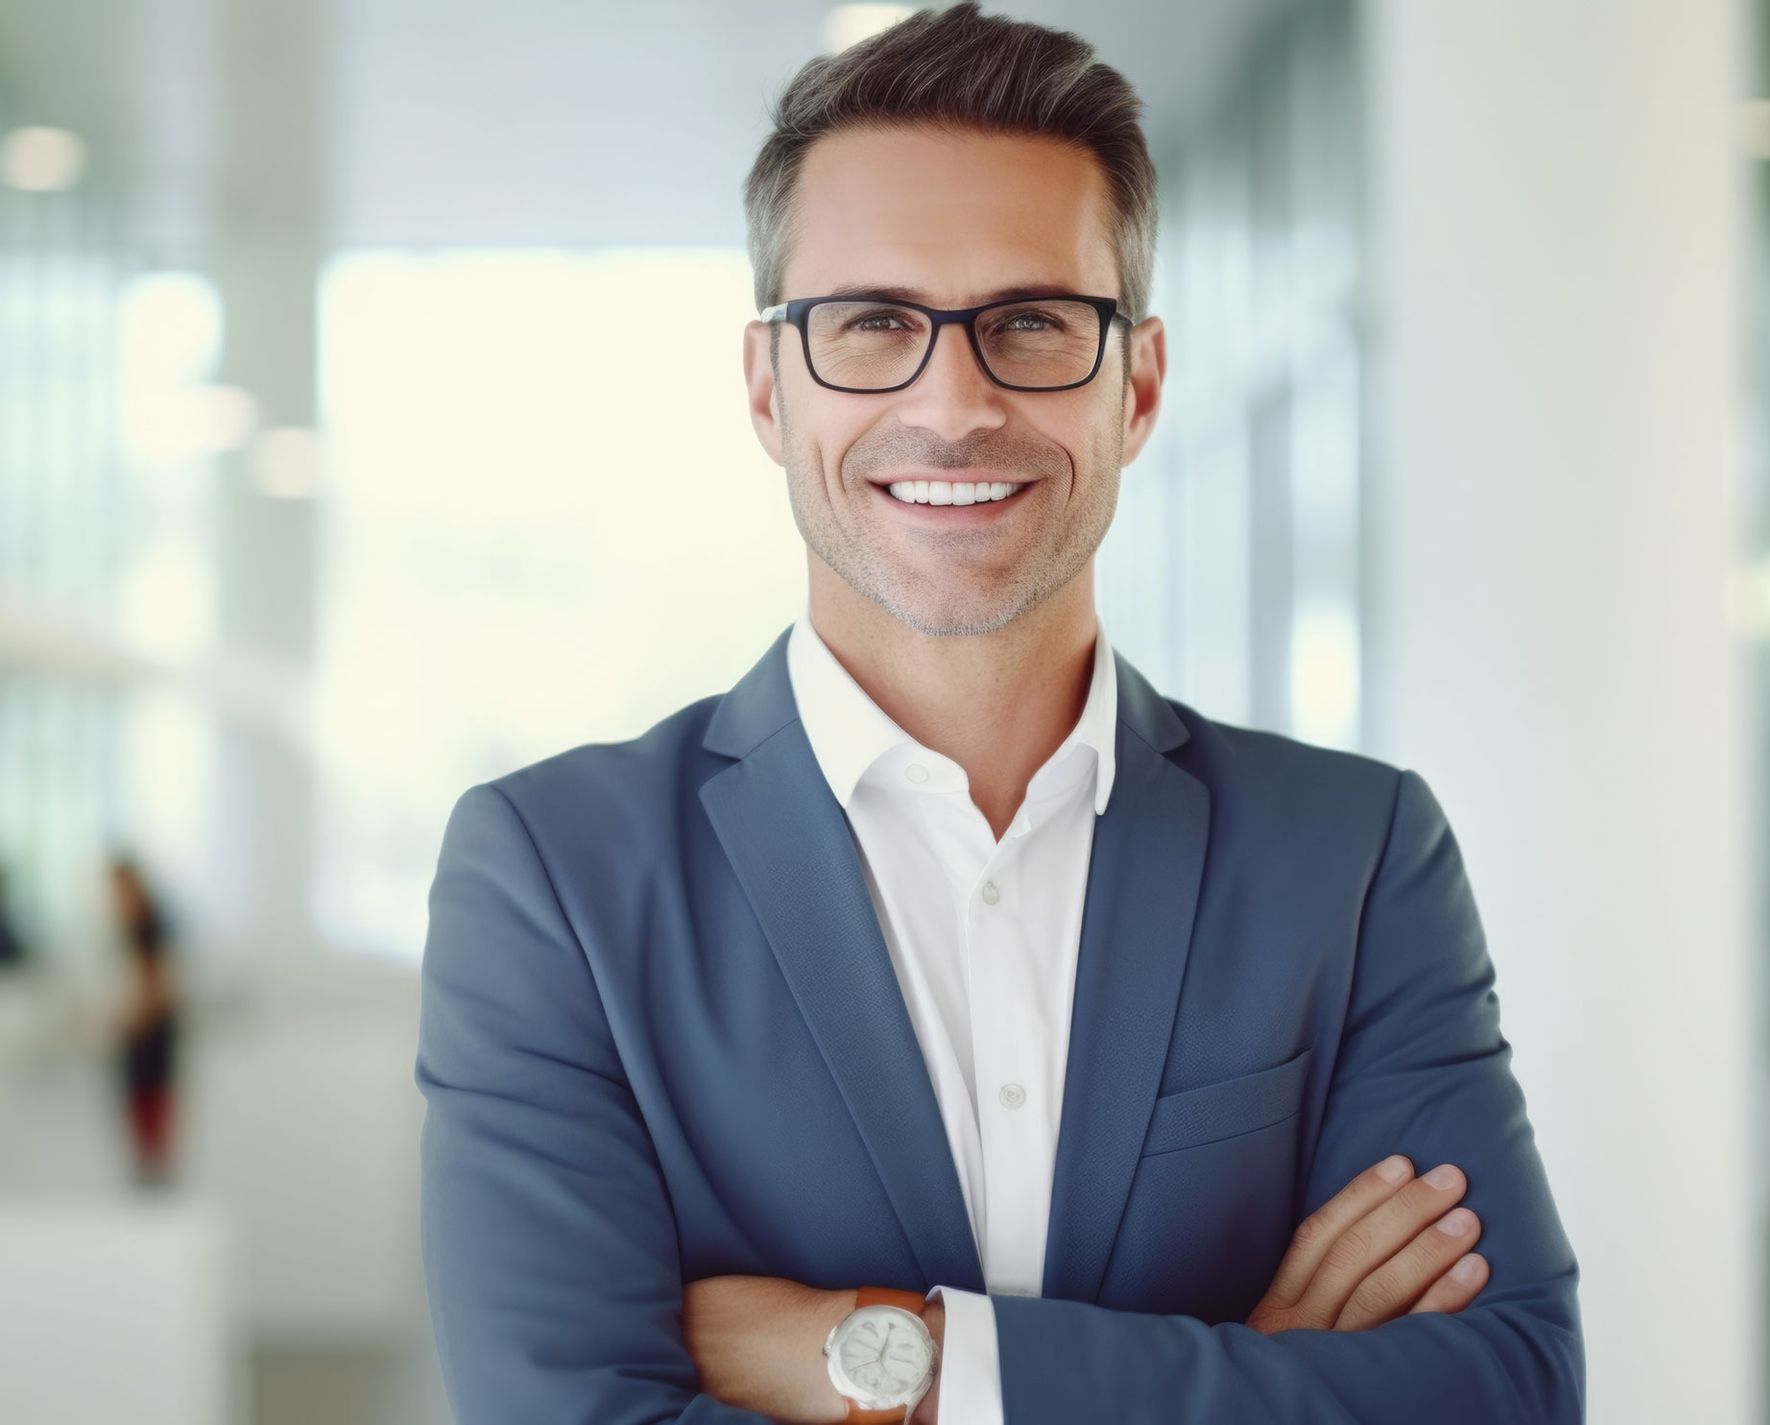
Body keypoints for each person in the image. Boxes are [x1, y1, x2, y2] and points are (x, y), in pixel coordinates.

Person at [414, 6, 1584, 1422]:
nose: (954, 401)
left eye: (1032, 323)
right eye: (872, 324)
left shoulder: (1352, 854)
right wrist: (1261, 1368)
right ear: (768, 390)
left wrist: (905, 1366)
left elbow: (1507, 1391)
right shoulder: (557, 880)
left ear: (1138, 384)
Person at [108, 852, 179, 1188]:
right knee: (138, 1128)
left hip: (151, 1041)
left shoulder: (151, 928)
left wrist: (129, 1023)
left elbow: (160, 991)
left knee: (153, 1125)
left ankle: (155, 1191)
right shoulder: (130, 929)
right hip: (138, 1041)